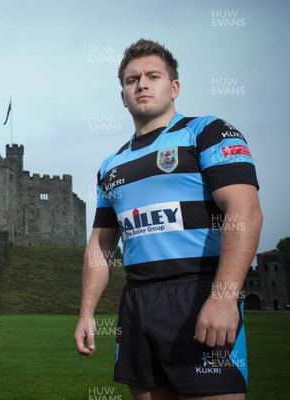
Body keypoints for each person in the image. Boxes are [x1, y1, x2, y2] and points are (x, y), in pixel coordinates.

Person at [74, 39, 262, 399]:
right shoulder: (110, 167)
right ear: (123, 96)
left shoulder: (208, 133)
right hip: (137, 301)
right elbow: (100, 246)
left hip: (198, 291)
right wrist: (87, 313)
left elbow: (245, 213)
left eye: (152, 76)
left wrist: (223, 297)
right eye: (132, 80)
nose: (141, 84)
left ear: (173, 87)